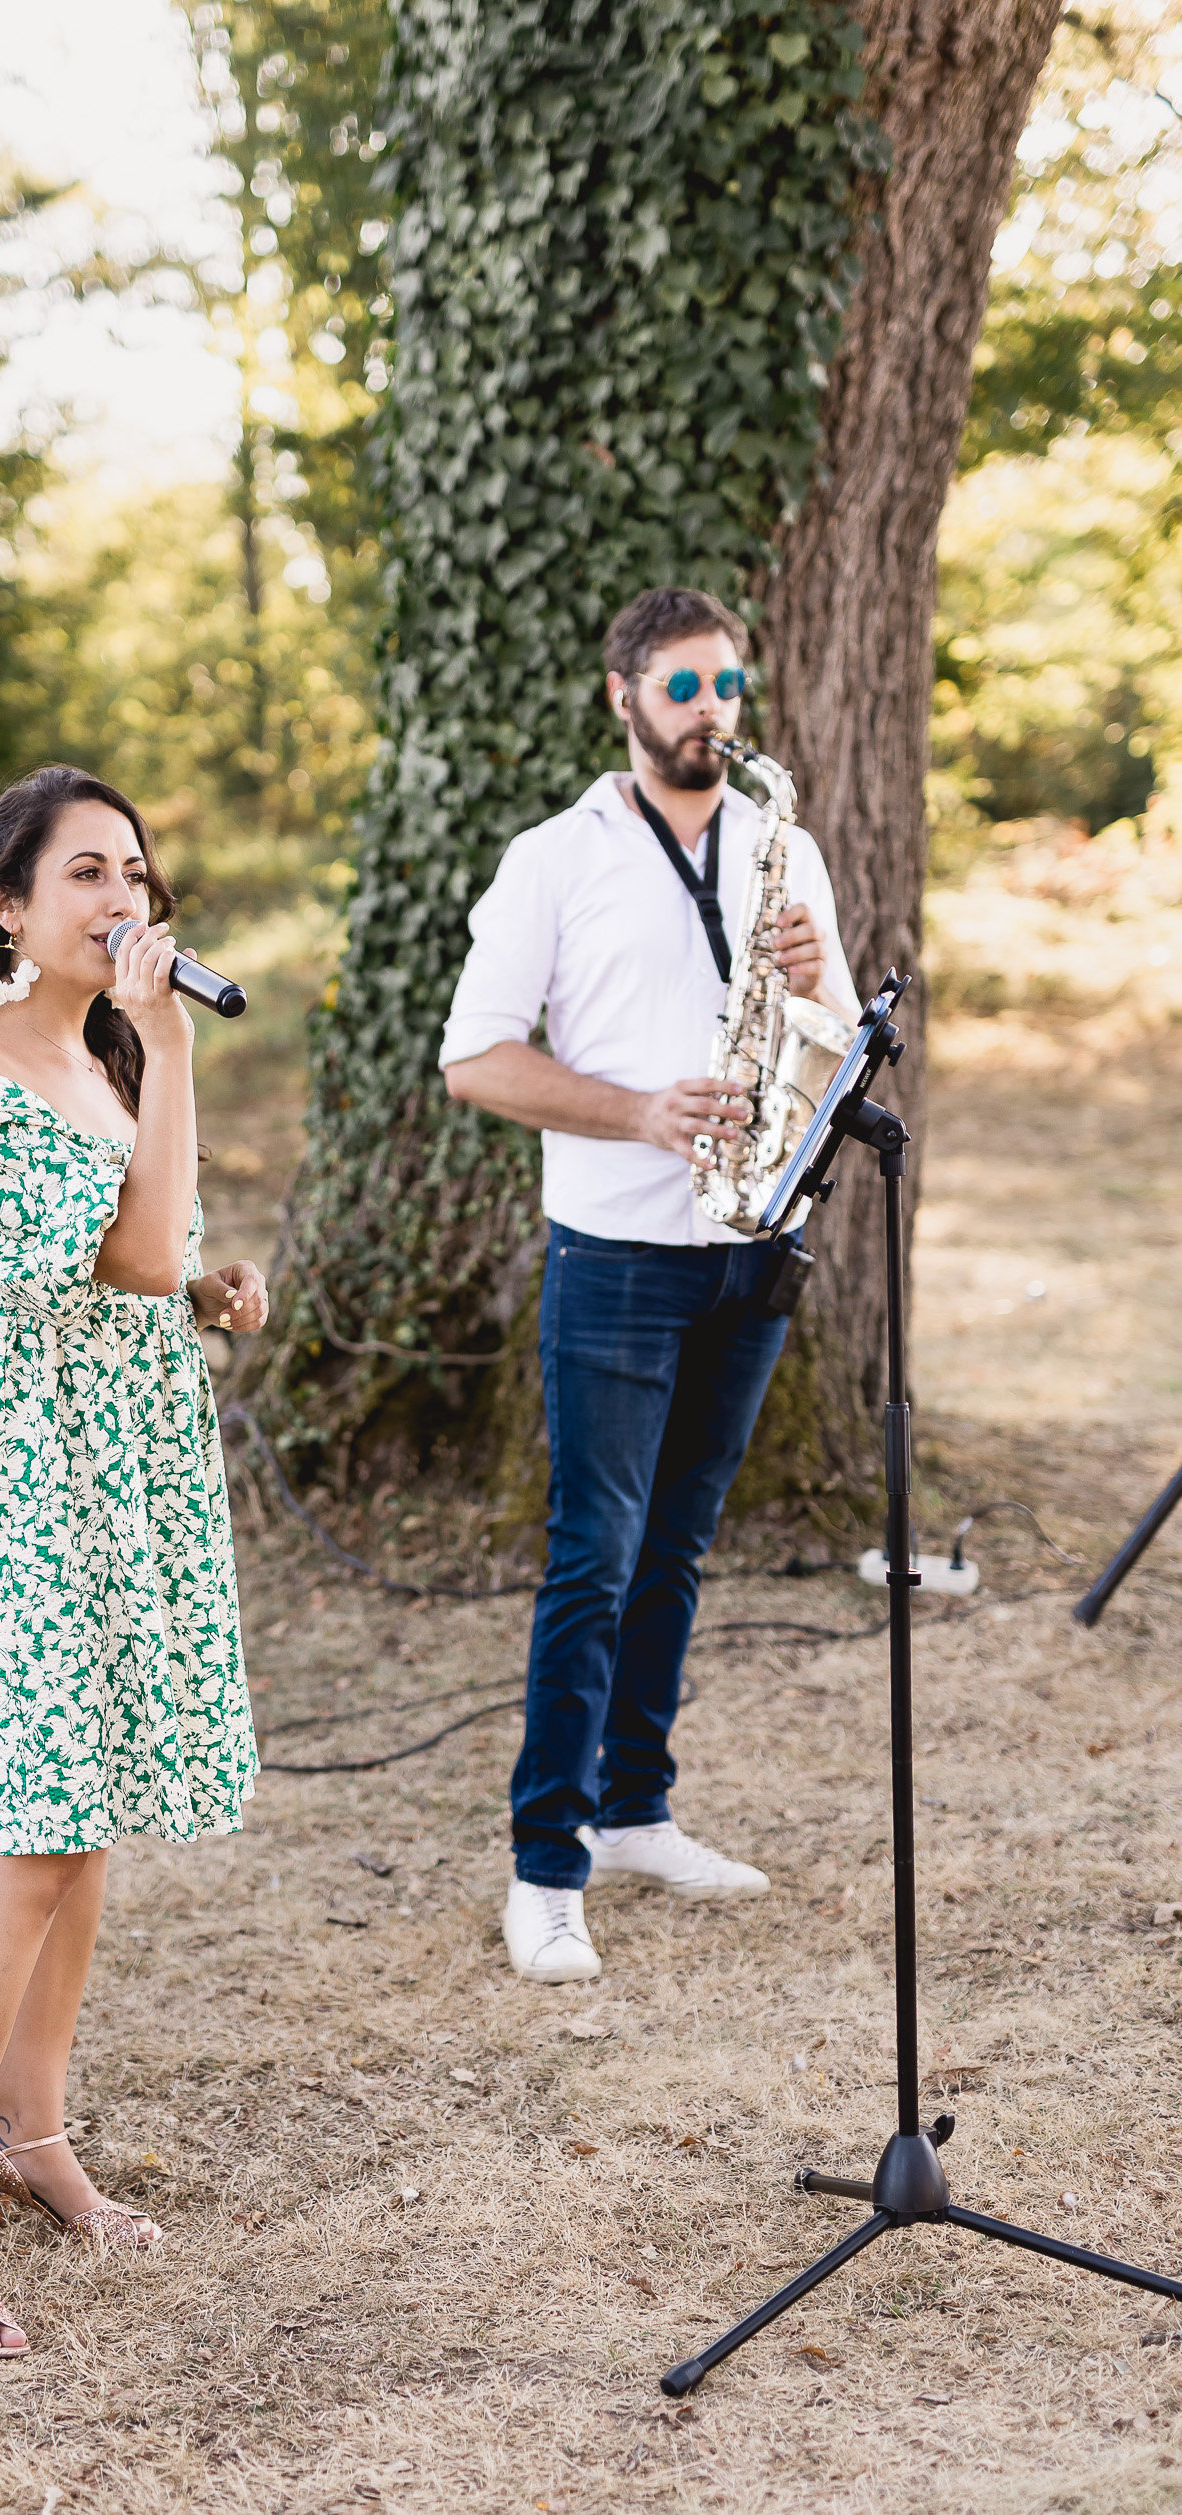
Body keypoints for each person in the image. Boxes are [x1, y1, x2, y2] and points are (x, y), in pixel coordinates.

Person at [0, 763, 267, 2355]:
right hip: (32, 1478)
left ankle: (35, 2144)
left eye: (136, 871)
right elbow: (127, 1244)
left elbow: (139, 1263)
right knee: (26, 1842)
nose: (122, 900)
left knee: (85, 1829)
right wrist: (172, 1054)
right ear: (6, 907)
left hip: (128, 1453)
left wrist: (201, 1296)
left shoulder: (87, 1052)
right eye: (86, 874)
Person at [440, 587, 859, 1986]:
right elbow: (474, 1059)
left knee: (676, 1553)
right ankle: (545, 1865)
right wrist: (636, 1114)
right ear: (620, 693)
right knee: (593, 1561)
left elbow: (833, 1045)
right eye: (682, 687)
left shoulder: (778, 848)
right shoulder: (550, 860)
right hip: (615, 1252)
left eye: (727, 684)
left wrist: (813, 990)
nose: (711, 711)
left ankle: (634, 1812)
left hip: (748, 1244)